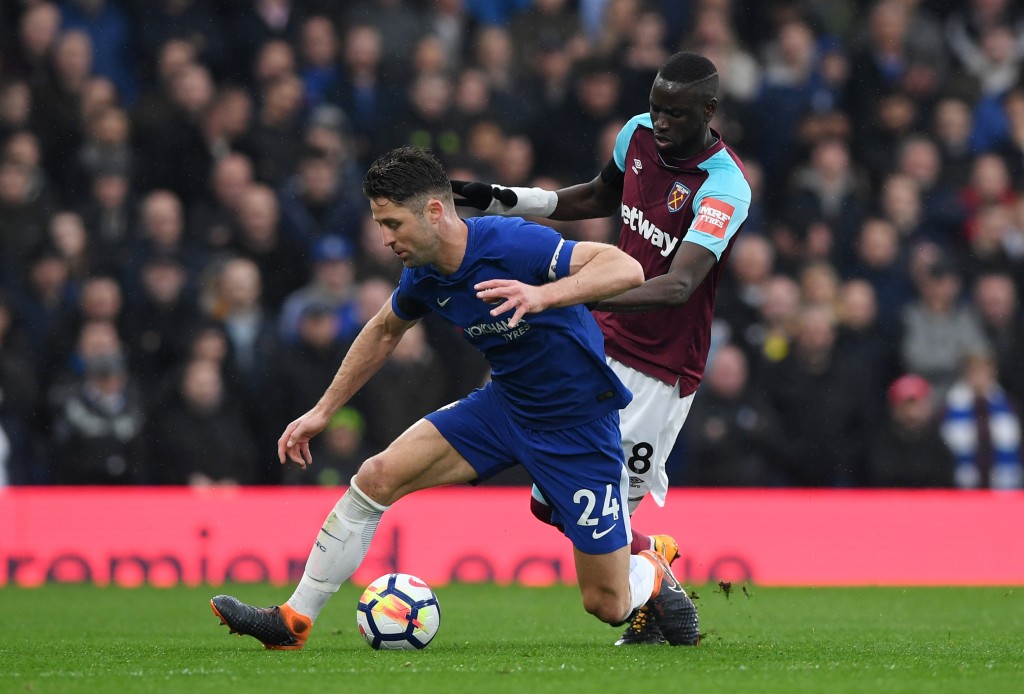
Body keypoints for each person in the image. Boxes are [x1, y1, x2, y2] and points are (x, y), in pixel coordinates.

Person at [209, 146, 699, 650]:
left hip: (577, 426)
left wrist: (542, 294)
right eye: (380, 224)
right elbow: (382, 330)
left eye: (394, 223)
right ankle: (293, 621)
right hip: (503, 408)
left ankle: (651, 569)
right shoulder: (423, 273)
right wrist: (322, 411)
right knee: (376, 477)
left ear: (436, 212)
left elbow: (624, 269)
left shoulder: (511, 243)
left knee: (608, 604)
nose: (385, 238)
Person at [451, 51, 750, 644]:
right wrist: (505, 198)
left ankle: (652, 607)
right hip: (602, 345)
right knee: (549, 502)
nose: (658, 122)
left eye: (674, 113)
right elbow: (593, 197)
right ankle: (655, 571)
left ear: (708, 110)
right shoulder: (635, 135)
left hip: (660, 371)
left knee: (608, 516)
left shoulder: (724, 187)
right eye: (655, 108)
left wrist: (571, 297)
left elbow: (678, 286)